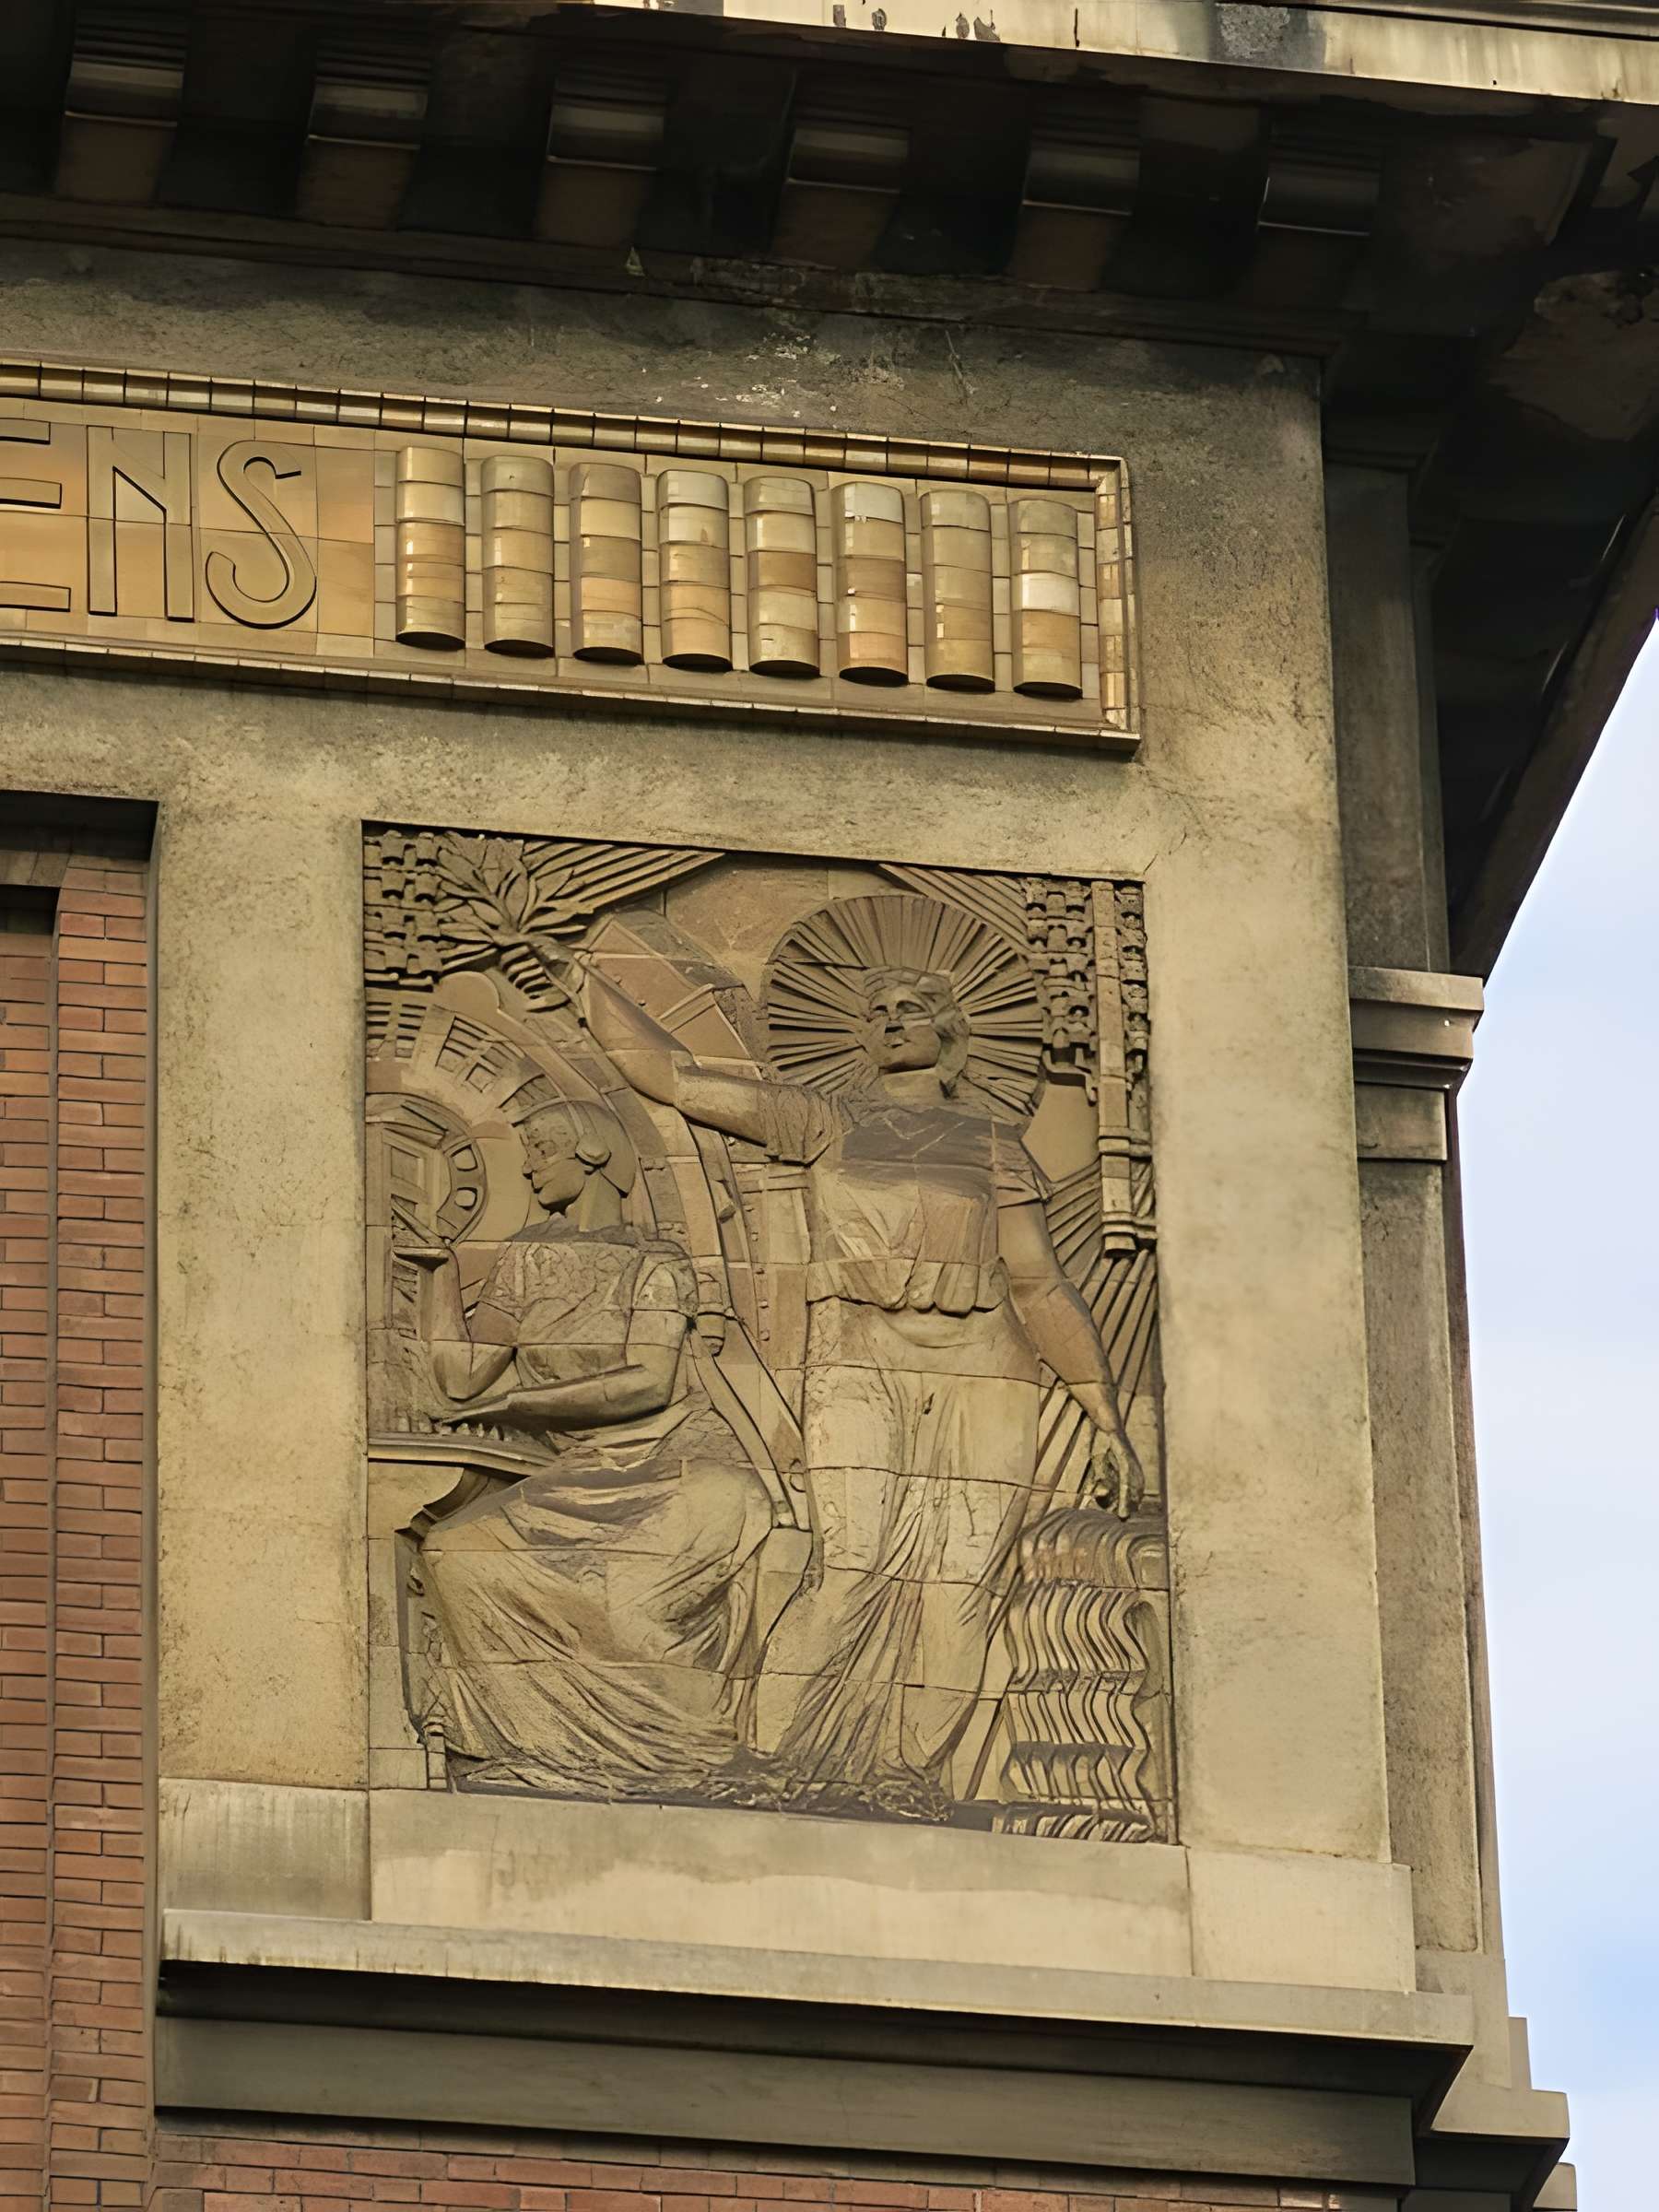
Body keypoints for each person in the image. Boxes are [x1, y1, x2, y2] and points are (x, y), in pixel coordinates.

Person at [580, 956, 1142, 1818]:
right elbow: (673, 1078)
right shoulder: (825, 1119)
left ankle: (909, 1774)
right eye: (877, 1008)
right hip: (858, 1352)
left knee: (963, 1582)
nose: (892, 1019)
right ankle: (768, 1755)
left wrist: (1105, 1415)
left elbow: (1037, 1282)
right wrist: (575, 977)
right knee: (848, 1563)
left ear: (950, 1034)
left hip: (984, 1362)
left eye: (912, 1006)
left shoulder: (995, 1144)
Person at [403, 1098, 773, 1797]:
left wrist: (515, 1404)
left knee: (627, 1607)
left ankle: (678, 1749)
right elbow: (461, 1377)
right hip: (580, 1472)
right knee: (454, 1553)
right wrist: (441, 1277)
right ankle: (536, 1749)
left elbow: (647, 1381)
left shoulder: (656, 1263)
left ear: (594, 1152)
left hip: (675, 1467)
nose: (530, 1170)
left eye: (543, 1151)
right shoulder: (523, 1259)